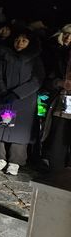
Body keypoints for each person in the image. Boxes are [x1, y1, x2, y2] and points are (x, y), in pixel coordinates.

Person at [0, 30, 45, 175]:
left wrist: (17, 93)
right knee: (0, 127)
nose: (19, 43)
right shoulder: (5, 56)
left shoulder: (35, 59)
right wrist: (2, 91)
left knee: (20, 132)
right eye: (17, 40)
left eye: (24, 41)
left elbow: (37, 80)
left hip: (24, 101)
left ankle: (15, 161)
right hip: (5, 98)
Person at [40, 24, 71, 170]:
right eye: (66, 34)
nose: (68, 38)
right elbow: (46, 77)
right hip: (60, 101)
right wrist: (58, 82)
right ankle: (54, 167)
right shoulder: (57, 54)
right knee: (58, 135)